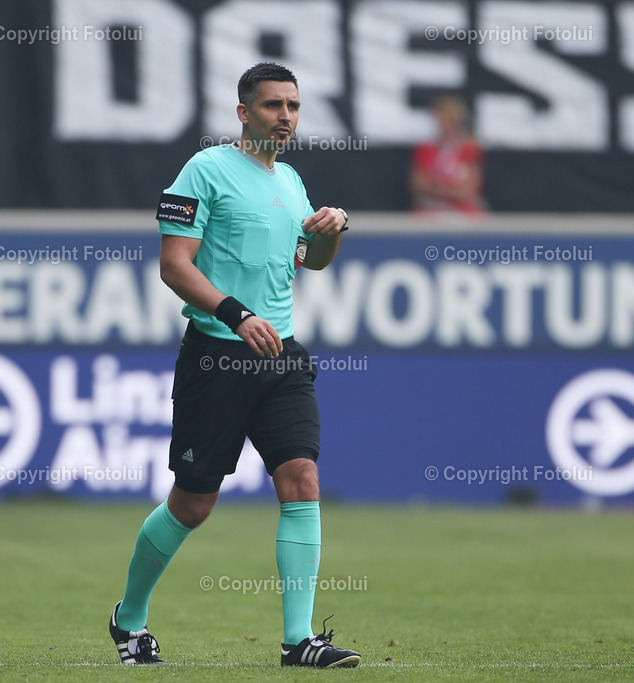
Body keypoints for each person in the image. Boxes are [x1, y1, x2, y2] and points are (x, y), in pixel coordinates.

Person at [108, 62, 361, 669]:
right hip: (217, 357)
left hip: (282, 358)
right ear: (244, 112)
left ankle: (299, 642)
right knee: (192, 505)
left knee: (301, 478)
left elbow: (311, 261)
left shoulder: (292, 181)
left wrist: (332, 231)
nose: (285, 116)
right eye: (273, 105)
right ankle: (129, 617)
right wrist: (237, 314)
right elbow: (174, 265)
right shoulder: (205, 170)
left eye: (293, 106)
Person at [410, 94, 487, 214]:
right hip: (430, 210)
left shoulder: (470, 149)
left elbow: (467, 191)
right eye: (439, 118)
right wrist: (450, 188)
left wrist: (436, 187)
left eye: (447, 119)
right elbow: (419, 186)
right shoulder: (425, 148)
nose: (442, 123)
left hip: (462, 211)